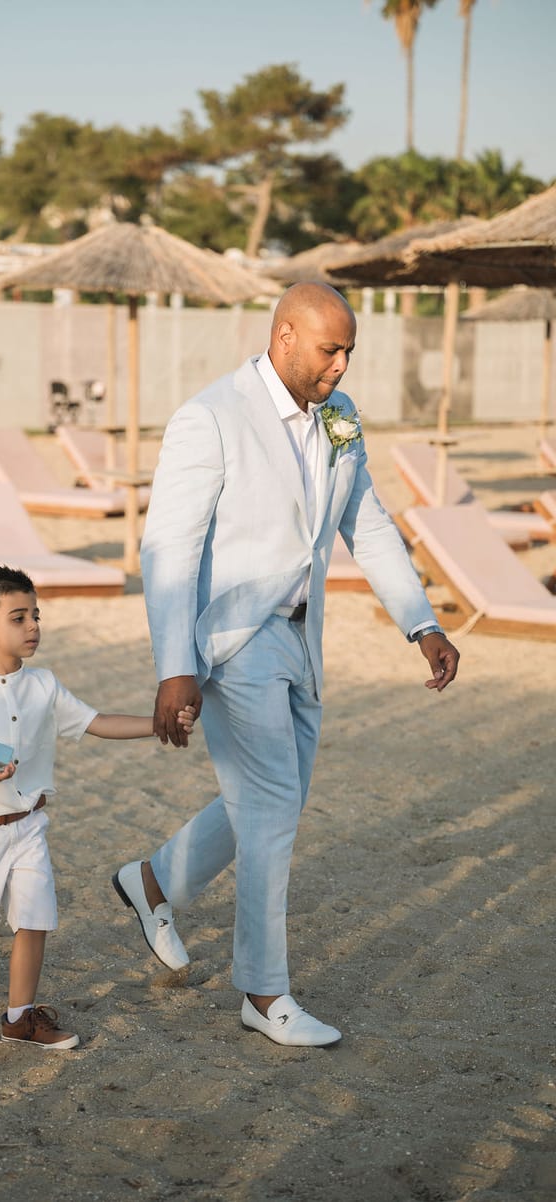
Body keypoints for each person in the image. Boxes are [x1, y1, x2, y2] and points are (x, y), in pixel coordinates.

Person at [112, 283, 460, 1048]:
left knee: (276, 799)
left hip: (304, 639)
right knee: (271, 810)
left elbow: (364, 523)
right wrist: (175, 666)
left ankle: (153, 881)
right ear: (286, 338)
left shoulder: (340, 418)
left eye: (349, 352)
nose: (341, 366)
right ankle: (263, 991)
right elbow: (168, 548)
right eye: (330, 350)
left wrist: (421, 622)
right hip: (235, 639)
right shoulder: (211, 417)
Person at [0, 564, 194, 1050]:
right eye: (19, 618)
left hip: (28, 826)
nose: (33, 627)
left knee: (35, 917)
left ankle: (19, 1019)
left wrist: (160, 722)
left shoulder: (45, 685)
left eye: (36, 616)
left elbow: (97, 721)